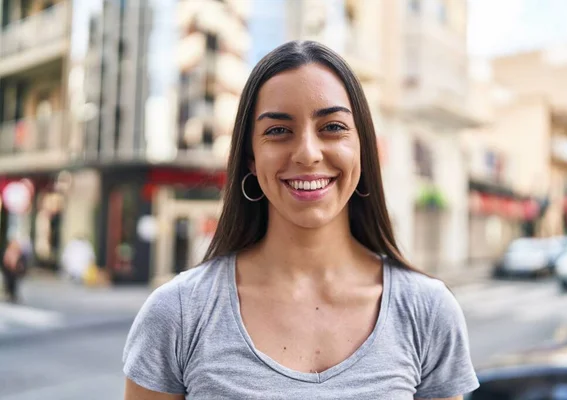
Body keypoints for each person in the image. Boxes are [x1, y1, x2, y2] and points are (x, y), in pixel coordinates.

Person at [123, 41, 479, 399]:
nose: (308, 153)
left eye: (333, 127)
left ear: (363, 148)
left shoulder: (427, 310)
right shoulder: (178, 314)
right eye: (278, 131)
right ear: (250, 157)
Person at [1, 238, 27, 303]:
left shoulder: (18, 252)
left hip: (15, 272)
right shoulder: (8, 251)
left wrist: (20, 268)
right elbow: (5, 261)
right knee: (9, 283)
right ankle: (10, 294)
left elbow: (21, 262)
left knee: (14, 283)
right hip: (8, 271)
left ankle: (13, 294)